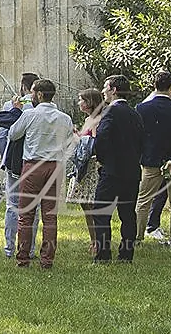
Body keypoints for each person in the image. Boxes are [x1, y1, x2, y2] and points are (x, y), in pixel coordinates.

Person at [9, 78, 74, 269]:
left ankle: (23, 257)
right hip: (55, 166)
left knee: (26, 214)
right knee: (50, 215)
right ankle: (47, 259)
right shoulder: (65, 118)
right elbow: (69, 141)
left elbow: (13, 134)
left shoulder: (30, 115)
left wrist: (17, 111)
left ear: (38, 94)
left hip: (33, 165)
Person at [91, 74, 145, 263]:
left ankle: (103, 254)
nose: (103, 91)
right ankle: (126, 254)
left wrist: (102, 160)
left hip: (112, 171)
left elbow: (102, 138)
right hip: (132, 171)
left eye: (106, 87)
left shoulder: (109, 112)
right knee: (128, 214)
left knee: (101, 212)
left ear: (113, 90)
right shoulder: (135, 113)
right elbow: (141, 141)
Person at [134, 71, 171, 246]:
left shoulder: (142, 108)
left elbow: (138, 136)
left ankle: (136, 237)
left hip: (151, 160)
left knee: (143, 200)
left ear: (154, 86)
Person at [0, 73, 39, 260]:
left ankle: (10, 247)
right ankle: (30, 248)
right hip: (36, 163)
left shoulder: (12, 106)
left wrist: (5, 158)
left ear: (23, 87)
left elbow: (2, 136)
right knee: (33, 209)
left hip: (15, 163)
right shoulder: (45, 109)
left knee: (13, 206)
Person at [66, 88, 105, 255]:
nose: (79, 103)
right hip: (83, 166)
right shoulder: (89, 119)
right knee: (85, 206)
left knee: (92, 206)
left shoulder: (96, 120)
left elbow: (94, 144)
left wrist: (78, 138)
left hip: (91, 167)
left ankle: (98, 242)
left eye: (81, 100)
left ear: (90, 102)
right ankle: (93, 240)